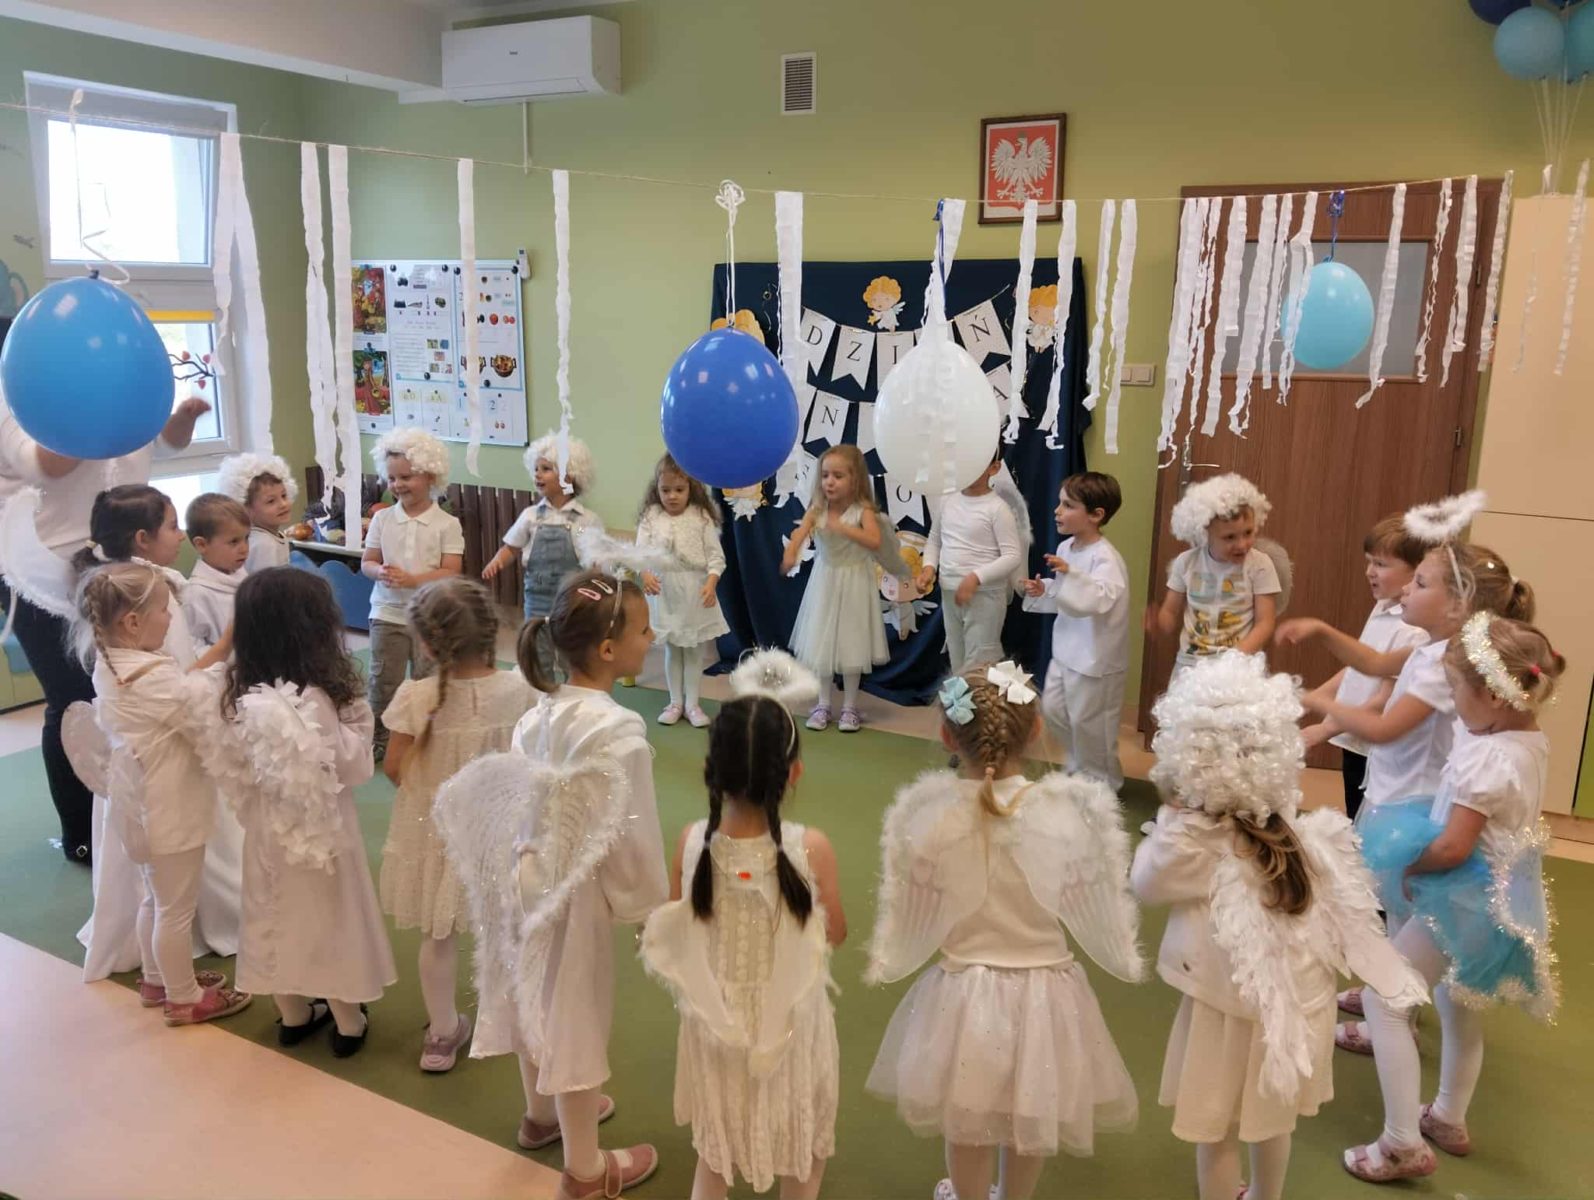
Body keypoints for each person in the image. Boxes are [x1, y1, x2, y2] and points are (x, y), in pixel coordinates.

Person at [1131, 651, 1427, 1200]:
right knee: (1271, 1122)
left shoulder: (1192, 839)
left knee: (1216, 1128)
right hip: (1293, 1010)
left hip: (1225, 1009)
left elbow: (1145, 882)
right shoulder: (1289, 825)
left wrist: (1172, 814)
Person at [865, 661, 1143, 1200]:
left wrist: (895, 954)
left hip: (967, 992)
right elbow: (1090, 900)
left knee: (967, 1116)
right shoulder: (1065, 815)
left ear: (947, 736)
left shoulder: (932, 818)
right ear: (1036, 729)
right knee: (1032, 1110)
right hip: (1045, 991)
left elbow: (914, 915)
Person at [437, 569, 667, 1200]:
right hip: (575, 893)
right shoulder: (620, 731)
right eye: (644, 630)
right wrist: (647, 906)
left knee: (531, 990)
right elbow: (630, 834)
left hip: (523, 876)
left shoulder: (536, 714)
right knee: (576, 1014)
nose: (652, 639)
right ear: (609, 649)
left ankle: (540, 1116)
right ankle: (586, 1170)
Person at [1282, 538, 1534, 1048]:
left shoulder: (1449, 664)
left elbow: (1383, 728)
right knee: (1397, 909)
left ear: (1458, 606)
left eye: (1419, 583)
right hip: (1394, 795)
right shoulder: (1432, 647)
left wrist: (1313, 702)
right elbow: (1376, 663)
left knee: (1409, 910)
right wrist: (1323, 631)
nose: (1405, 591)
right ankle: (1390, 995)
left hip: (1414, 806)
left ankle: (1395, 1012)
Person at [1343, 614, 1562, 1183]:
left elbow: (1454, 846)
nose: (1454, 704)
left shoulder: (1486, 760)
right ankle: (1447, 1116)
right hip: (1498, 896)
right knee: (1457, 1000)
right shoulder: (1526, 740)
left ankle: (1400, 1144)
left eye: (1457, 691)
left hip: (1462, 893)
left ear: (1494, 696)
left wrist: (1413, 867)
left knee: (1386, 999)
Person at [640, 650, 844, 1199]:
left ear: (712, 770)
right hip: (792, 1021)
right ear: (793, 772)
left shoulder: (692, 842)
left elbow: (676, 925)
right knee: (802, 1144)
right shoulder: (811, 848)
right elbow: (834, 933)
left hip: (716, 1022)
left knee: (716, 1152)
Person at [0, 361, 211, 864]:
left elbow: (163, 443)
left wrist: (181, 418)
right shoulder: (17, 395)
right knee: (73, 700)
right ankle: (83, 832)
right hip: (45, 571)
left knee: (131, 693)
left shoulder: (123, 379)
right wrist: (88, 405)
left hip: (121, 563)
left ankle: (134, 814)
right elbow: (43, 464)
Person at [68, 484, 243, 983]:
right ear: (142, 538)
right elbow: (190, 696)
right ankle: (181, 993)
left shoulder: (114, 650)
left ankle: (155, 979)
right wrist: (227, 658)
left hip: (138, 791)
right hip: (170, 795)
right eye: (171, 525)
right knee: (174, 907)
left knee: (153, 897)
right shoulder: (150, 620)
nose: (181, 534)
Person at [220, 567, 397, 1058]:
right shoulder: (313, 699)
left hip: (266, 830)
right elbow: (353, 767)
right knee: (328, 918)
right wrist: (358, 718)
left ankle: (295, 1015)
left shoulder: (239, 693)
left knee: (273, 912)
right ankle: (348, 1023)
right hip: (322, 835)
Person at [378, 577, 535, 1072]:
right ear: (492, 630)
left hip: (441, 832)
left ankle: (442, 1033)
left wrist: (430, 794)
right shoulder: (520, 690)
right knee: (512, 928)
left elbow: (394, 767)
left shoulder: (416, 696)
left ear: (426, 644)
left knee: (439, 933)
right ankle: (519, 1022)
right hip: (503, 830)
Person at [1298, 514, 1428, 822]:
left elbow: (1384, 699)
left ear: (1416, 572)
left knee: (1366, 822)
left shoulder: (1412, 629)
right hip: (1353, 739)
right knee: (1355, 816)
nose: (1369, 571)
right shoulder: (1383, 606)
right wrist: (1309, 698)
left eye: (1381, 564)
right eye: (1369, 561)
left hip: (1375, 749)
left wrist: (1325, 728)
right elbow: (1359, 667)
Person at [1022, 471, 1130, 789]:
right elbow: (1067, 594)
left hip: (1096, 660)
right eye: (1059, 503)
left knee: (1092, 725)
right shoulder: (1066, 547)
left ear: (1096, 515)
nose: (1057, 511)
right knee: (1054, 709)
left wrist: (1070, 575)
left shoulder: (1106, 558)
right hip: (1067, 651)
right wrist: (1045, 588)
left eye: (1068, 505)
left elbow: (1098, 598)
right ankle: (1082, 765)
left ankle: (1102, 784)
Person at [361, 428, 464, 760]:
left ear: (430, 476)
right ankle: (380, 737)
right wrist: (379, 572)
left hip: (429, 619)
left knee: (427, 681)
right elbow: (367, 562)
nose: (397, 485)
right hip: (386, 614)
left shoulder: (446, 524)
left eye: (406, 477)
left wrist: (413, 580)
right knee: (383, 681)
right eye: (392, 478)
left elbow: (451, 571)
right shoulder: (382, 519)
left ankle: (425, 736)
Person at [782, 446, 889, 734]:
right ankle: (823, 703)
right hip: (825, 581)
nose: (830, 481)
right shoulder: (818, 509)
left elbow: (874, 541)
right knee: (822, 643)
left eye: (838, 476)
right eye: (826, 475)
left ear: (856, 480)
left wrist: (842, 528)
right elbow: (800, 534)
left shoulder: (863, 511)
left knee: (853, 644)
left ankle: (850, 707)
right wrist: (791, 552)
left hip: (855, 582)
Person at [1147, 473, 1285, 667]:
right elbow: (1169, 612)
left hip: (1238, 663)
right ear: (1204, 534)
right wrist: (1159, 622)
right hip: (1191, 664)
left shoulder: (1260, 565)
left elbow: (1265, 623)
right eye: (1229, 537)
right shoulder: (1186, 563)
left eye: (1248, 532)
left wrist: (1236, 657)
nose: (1242, 544)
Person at [635, 453, 729, 728]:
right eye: (665, 490)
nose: (672, 496)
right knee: (673, 649)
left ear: (691, 488)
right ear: (657, 488)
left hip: (694, 591)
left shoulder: (700, 517)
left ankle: (693, 704)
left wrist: (711, 582)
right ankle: (675, 702)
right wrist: (645, 573)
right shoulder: (651, 516)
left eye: (679, 489)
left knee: (694, 650)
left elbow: (716, 557)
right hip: (664, 592)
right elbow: (639, 552)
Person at [916, 450, 1025, 674]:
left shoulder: (997, 508)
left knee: (981, 660)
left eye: (977, 464)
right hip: (950, 591)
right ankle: (962, 697)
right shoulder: (948, 501)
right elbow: (935, 540)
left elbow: (1012, 555)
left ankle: (980, 697)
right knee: (957, 656)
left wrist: (976, 578)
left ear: (994, 468)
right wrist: (928, 568)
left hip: (985, 595)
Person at [482, 430, 602, 624]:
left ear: (568, 477)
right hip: (536, 600)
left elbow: (593, 556)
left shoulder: (583, 521)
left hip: (573, 600)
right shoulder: (531, 517)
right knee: (536, 636)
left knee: (569, 637)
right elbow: (511, 548)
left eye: (546, 469)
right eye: (536, 469)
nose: (537, 474)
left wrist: (596, 583)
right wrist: (497, 561)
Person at [182, 492, 251, 654]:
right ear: (201, 545)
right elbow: (194, 651)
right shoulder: (196, 594)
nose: (244, 548)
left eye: (246, 538)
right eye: (234, 541)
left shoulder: (240, 572)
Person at [217, 452, 298, 575]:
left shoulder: (271, 536)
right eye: (271, 501)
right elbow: (265, 585)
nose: (283, 504)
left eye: (283, 495)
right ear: (246, 509)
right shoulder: (264, 544)